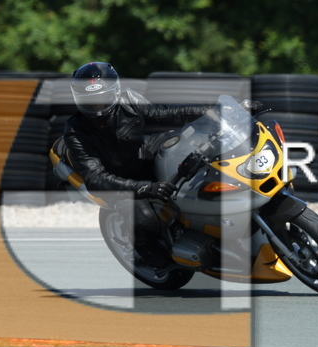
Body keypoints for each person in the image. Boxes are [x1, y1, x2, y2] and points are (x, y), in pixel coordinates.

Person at [54, 62, 211, 268]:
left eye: (102, 99)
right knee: (146, 221)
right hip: (114, 178)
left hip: (139, 152)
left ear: (115, 92)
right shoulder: (75, 132)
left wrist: (213, 111)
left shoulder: (129, 101)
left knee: (183, 142)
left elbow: (169, 113)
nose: (97, 107)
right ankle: (144, 251)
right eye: (89, 101)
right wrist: (145, 188)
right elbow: (96, 178)